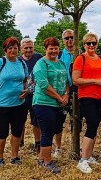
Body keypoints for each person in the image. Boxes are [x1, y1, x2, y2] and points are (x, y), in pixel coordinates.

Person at [0, 37, 29, 168]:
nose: (13, 50)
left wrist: (26, 90)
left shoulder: (21, 63)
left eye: (15, 48)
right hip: (2, 105)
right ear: (5, 50)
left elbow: (26, 80)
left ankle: (14, 156)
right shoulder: (0, 63)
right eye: (10, 48)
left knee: (17, 131)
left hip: (19, 104)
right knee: (2, 132)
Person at [72, 32, 101, 174]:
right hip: (87, 96)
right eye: (89, 43)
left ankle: (89, 156)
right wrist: (95, 81)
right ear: (84, 45)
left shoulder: (100, 58)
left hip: (100, 96)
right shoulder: (80, 59)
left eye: (94, 43)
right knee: (92, 124)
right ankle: (82, 160)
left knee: (95, 126)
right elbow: (76, 80)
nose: (92, 46)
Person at [32, 37, 69, 173]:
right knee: (47, 131)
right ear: (45, 49)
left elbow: (66, 81)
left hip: (58, 103)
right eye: (51, 48)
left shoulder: (61, 64)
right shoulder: (41, 63)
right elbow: (43, 85)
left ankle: (42, 157)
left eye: (55, 48)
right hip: (43, 102)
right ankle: (48, 162)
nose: (53, 51)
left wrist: (65, 94)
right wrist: (59, 97)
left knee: (54, 129)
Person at [18, 38, 42, 153]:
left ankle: (38, 143)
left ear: (34, 47)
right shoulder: (17, 61)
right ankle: (20, 142)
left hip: (35, 95)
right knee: (20, 119)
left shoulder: (39, 58)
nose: (28, 50)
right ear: (21, 49)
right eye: (26, 48)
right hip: (21, 95)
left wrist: (30, 89)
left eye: (30, 47)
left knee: (36, 120)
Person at [53, 29, 75, 157]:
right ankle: (58, 147)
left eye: (72, 37)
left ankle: (75, 145)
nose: (69, 40)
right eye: (67, 38)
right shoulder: (59, 55)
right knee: (59, 119)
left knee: (75, 119)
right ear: (63, 41)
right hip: (62, 90)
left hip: (77, 90)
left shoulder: (80, 53)